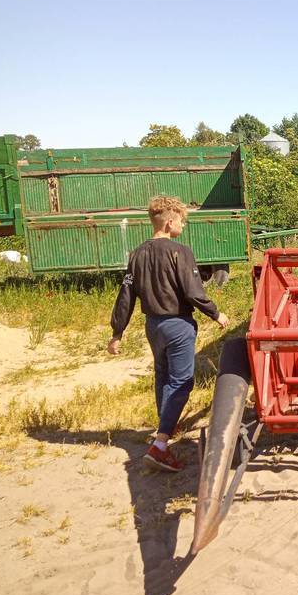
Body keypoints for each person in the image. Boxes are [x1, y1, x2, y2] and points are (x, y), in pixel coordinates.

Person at [107, 195, 229, 472]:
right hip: (178, 325)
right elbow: (193, 291)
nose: (183, 227)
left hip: (153, 326)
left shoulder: (137, 253)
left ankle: (165, 429)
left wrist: (118, 332)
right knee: (182, 381)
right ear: (171, 221)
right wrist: (216, 313)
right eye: (183, 222)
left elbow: (126, 294)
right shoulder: (180, 251)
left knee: (162, 378)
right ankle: (160, 445)